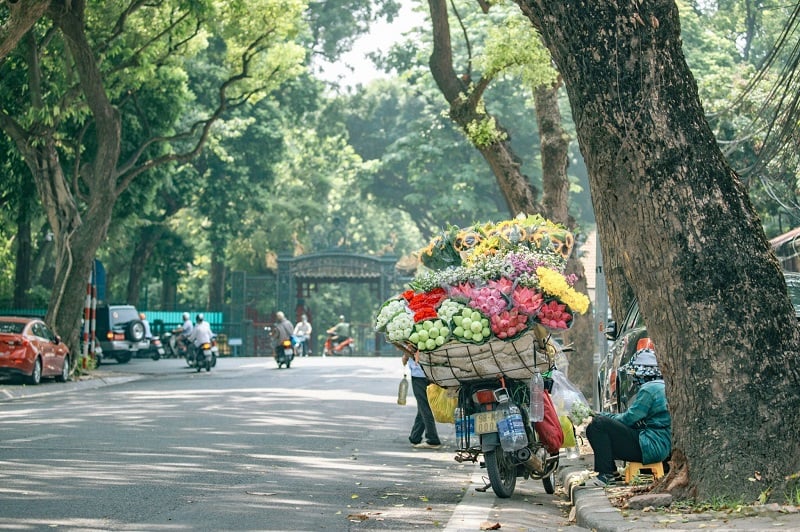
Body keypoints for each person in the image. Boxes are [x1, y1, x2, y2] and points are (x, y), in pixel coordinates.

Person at [585, 348, 671, 486]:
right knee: (594, 426)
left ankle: (605, 475)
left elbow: (629, 419)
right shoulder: (665, 386)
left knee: (598, 425)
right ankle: (611, 472)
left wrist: (602, 415)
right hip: (663, 447)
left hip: (650, 446)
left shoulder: (650, 389)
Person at [401, 351, 441, 449]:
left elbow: (411, 348)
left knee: (424, 406)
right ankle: (415, 437)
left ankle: (433, 439)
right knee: (423, 406)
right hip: (432, 372)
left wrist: (405, 355)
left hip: (419, 374)